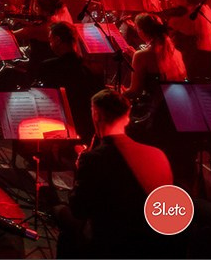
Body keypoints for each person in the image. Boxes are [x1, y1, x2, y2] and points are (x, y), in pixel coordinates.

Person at [55, 89, 173, 259]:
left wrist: (80, 169)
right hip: (155, 240)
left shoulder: (93, 159)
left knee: (58, 211)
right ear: (127, 117)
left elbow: (79, 209)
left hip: (113, 242)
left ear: (96, 115)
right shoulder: (157, 154)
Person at [35, 21, 104, 143]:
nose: (50, 44)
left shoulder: (50, 67)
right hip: (88, 126)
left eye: (50, 40)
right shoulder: (89, 67)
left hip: (60, 126)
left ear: (57, 39)